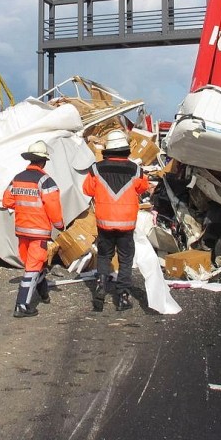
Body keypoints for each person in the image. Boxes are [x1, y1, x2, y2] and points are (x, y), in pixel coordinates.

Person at [82, 130, 149, 312]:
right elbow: (144, 187)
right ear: (125, 150)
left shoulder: (96, 169)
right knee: (126, 259)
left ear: (108, 150)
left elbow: (87, 190)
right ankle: (123, 297)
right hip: (126, 223)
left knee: (104, 256)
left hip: (104, 222)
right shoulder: (136, 170)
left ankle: (101, 287)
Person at [2, 140, 64, 318]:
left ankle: (43, 293)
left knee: (36, 265)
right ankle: (21, 306)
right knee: (32, 268)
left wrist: (23, 208)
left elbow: (7, 201)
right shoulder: (46, 181)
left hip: (22, 230)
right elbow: (53, 207)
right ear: (43, 162)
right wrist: (60, 225)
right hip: (39, 232)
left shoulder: (17, 178)